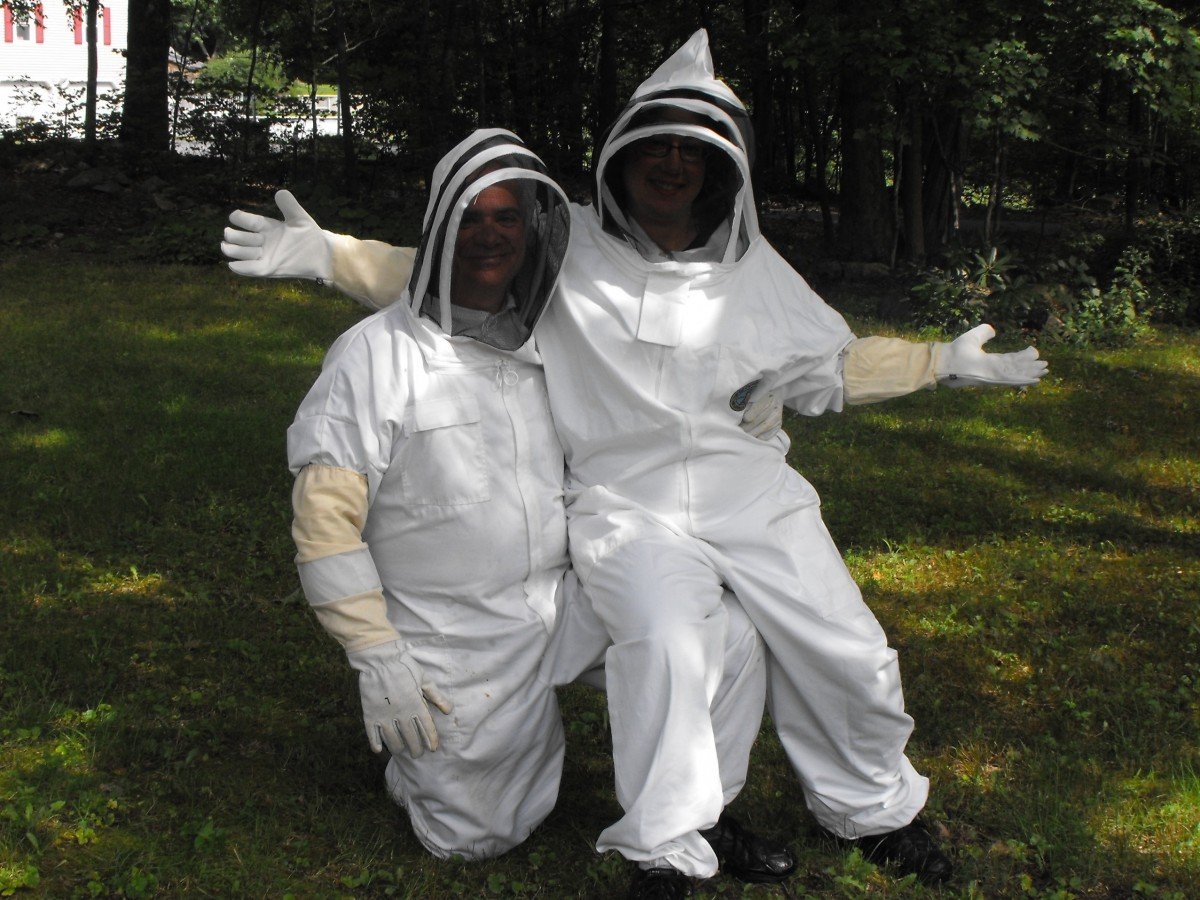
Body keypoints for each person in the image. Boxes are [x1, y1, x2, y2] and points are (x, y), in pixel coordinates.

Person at [225, 33, 1047, 897]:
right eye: (655, 144)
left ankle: (874, 810)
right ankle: (668, 845)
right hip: (625, 505)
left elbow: (828, 364)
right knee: (665, 645)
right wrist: (328, 256)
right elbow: (448, 269)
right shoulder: (564, 247)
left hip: (753, 493)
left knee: (850, 651)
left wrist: (938, 363)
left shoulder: (755, 270)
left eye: (691, 150)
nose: (670, 163)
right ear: (619, 157)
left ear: (722, 167)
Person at [275, 129, 773, 871]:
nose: (489, 235)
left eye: (508, 217)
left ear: (534, 227)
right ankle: (425, 773)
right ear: (439, 226)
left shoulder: (555, 341)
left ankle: (694, 814)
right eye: (471, 216)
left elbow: (657, 395)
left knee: (726, 636)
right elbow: (324, 524)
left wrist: (746, 402)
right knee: (476, 838)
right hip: (458, 638)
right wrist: (376, 656)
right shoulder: (375, 356)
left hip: (567, 597)